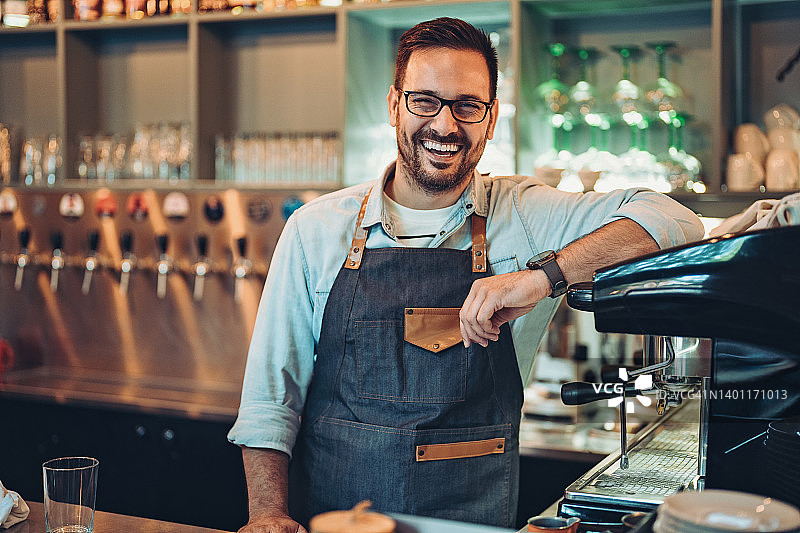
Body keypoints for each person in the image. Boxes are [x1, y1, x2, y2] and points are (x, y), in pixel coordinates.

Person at [228, 17, 705, 533]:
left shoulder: (521, 215)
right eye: (424, 101)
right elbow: (269, 402)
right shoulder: (316, 229)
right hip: (341, 520)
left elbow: (677, 222)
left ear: (492, 116)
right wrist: (268, 514)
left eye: (467, 105)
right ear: (394, 105)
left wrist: (542, 277)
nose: (445, 125)